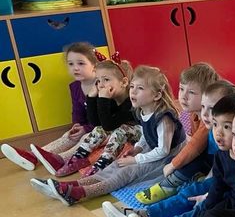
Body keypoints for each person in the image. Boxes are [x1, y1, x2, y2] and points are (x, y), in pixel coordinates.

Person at [30, 66, 185, 205]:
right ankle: (72, 185)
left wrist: (136, 159)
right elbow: (145, 134)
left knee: (126, 172)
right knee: (116, 165)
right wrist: (137, 148)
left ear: (157, 95)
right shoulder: (142, 110)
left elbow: (163, 150)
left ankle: (81, 193)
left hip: (169, 157)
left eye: (140, 88)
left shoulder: (163, 119)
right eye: (132, 87)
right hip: (153, 151)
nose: (133, 91)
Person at [101, 80, 235, 217]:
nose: (204, 114)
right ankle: (146, 215)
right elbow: (218, 163)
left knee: (194, 199)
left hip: (229, 187)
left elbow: (225, 169)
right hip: (218, 178)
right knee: (191, 191)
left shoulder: (226, 137)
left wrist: (208, 188)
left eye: (212, 109)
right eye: (203, 107)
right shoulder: (214, 131)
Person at [36, 50, 140, 177]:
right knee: (98, 130)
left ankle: (102, 166)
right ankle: (77, 159)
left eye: (106, 79)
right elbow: (96, 123)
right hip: (121, 131)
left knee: (121, 130)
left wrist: (103, 99)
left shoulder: (132, 102)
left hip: (141, 135)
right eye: (98, 80)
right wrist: (91, 97)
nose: (101, 85)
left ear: (123, 82)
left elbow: (108, 125)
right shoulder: (111, 99)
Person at [2, 42, 98, 172]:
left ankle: (60, 159)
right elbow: (77, 111)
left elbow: (105, 117)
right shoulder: (75, 86)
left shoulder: (101, 84)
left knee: (86, 138)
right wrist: (77, 125)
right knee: (68, 136)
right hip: (88, 127)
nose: (75, 68)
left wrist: (86, 128)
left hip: (103, 128)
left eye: (81, 63)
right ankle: (32, 156)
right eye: (71, 64)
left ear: (94, 65)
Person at [135, 62, 219, 203]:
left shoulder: (208, 120)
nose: (183, 96)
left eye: (191, 92)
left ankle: (168, 186)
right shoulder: (195, 113)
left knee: (187, 159)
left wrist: (173, 165)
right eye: (181, 89)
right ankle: (194, 176)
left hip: (215, 163)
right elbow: (192, 140)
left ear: (207, 95)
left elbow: (195, 146)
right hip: (208, 161)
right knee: (178, 158)